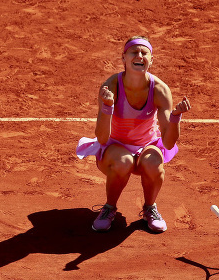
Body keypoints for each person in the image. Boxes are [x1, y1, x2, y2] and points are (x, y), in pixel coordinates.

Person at [76, 35, 191, 233]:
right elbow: (102, 138)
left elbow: (169, 143)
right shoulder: (111, 86)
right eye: (134, 52)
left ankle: (150, 209)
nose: (139, 56)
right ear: (124, 58)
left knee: (154, 162)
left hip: (147, 146)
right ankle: (109, 208)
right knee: (124, 161)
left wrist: (175, 118)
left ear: (151, 59)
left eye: (144, 53)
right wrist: (108, 107)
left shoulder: (160, 90)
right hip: (114, 149)